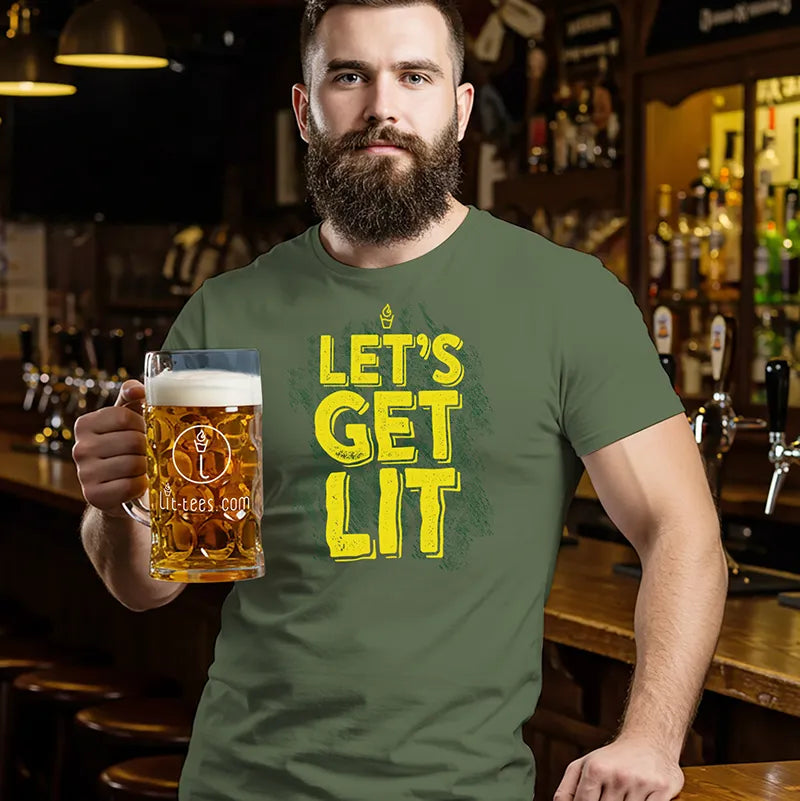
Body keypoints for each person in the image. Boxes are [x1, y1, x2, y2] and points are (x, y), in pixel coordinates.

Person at [72, 1, 729, 799]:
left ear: (457, 109)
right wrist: (118, 508)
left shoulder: (566, 299)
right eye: (349, 75)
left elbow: (683, 527)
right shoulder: (226, 311)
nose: (383, 105)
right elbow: (156, 582)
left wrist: (652, 738)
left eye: (414, 75)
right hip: (243, 780)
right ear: (306, 110)